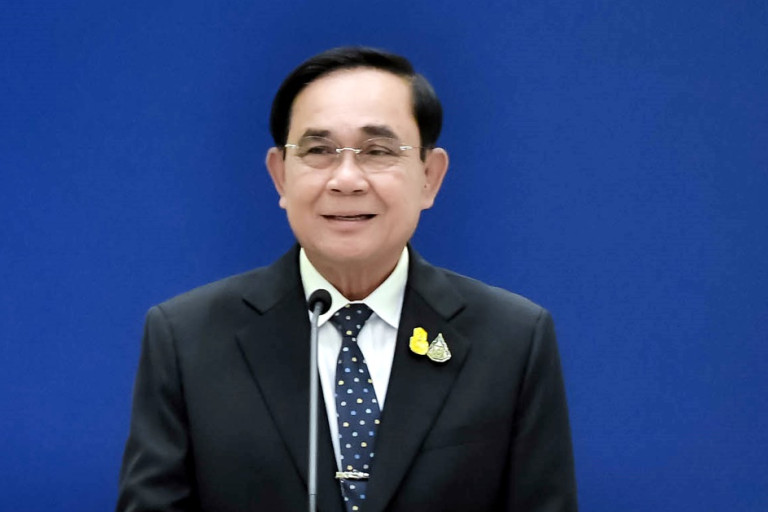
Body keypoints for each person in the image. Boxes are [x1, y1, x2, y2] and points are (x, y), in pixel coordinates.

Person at [116, 46, 578, 512]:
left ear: (429, 177)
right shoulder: (186, 338)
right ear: (280, 176)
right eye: (318, 151)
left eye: (378, 151)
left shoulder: (513, 339)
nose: (347, 179)